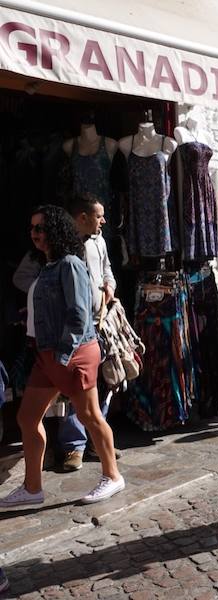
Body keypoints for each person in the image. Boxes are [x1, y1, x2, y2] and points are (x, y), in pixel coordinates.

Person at [0, 205, 124, 507]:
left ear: (55, 230)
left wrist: (64, 355)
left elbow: (80, 314)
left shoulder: (69, 263)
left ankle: (112, 476)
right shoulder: (47, 266)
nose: (34, 234)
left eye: (40, 228)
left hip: (73, 352)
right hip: (46, 354)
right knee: (27, 418)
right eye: (32, 229)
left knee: (89, 416)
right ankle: (32, 488)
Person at [55, 196, 119, 472]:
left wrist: (109, 285)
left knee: (101, 385)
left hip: (100, 323)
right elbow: (27, 277)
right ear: (82, 217)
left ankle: (96, 440)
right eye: (99, 216)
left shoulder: (99, 242)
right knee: (74, 389)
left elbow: (107, 271)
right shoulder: (61, 247)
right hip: (74, 328)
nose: (103, 221)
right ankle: (73, 446)